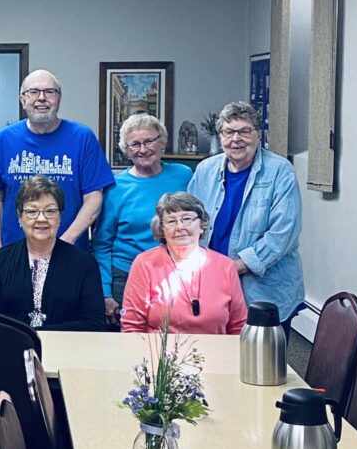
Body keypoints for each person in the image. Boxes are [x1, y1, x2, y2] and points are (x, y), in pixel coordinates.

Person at [188, 101, 304, 334]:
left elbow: (283, 234)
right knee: (215, 358)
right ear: (220, 136)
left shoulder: (280, 171)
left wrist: (236, 267)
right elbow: (190, 219)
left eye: (244, 131)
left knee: (265, 362)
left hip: (264, 290)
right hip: (212, 285)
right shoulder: (205, 170)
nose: (236, 138)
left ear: (258, 135)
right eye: (229, 132)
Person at [0, 69, 114, 252]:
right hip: (14, 252)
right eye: (34, 92)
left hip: (69, 253)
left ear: (58, 98)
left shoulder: (82, 138)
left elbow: (93, 198)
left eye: (49, 92)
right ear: (23, 99)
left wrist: (64, 244)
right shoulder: (3, 139)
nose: (42, 98)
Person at [92, 114, 192, 326]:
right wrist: (105, 292)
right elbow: (102, 244)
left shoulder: (184, 176)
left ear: (162, 142)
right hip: (125, 276)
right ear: (127, 150)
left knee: (172, 341)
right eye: (135, 144)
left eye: (149, 141)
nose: (143, 149)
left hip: (176, 274)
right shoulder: (115, 186)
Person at [0, 176, 107, 332]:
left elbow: (95, 324)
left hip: (68, 351)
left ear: (60, 217)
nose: (41, 219)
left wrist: (42, 334)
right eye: (32, 211)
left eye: (50, 211)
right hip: (11, 350)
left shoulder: (85, 263)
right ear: (19, 216)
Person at [120, 192, 247, 334]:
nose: (180, 227)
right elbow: (132, 327)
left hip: (216, 353)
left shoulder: (226, 266)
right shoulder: (144, 263)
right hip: (161, 355)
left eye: (187, 219)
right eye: (171, 221)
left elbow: (238, 327)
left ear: (202, 225)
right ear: (162, 229)